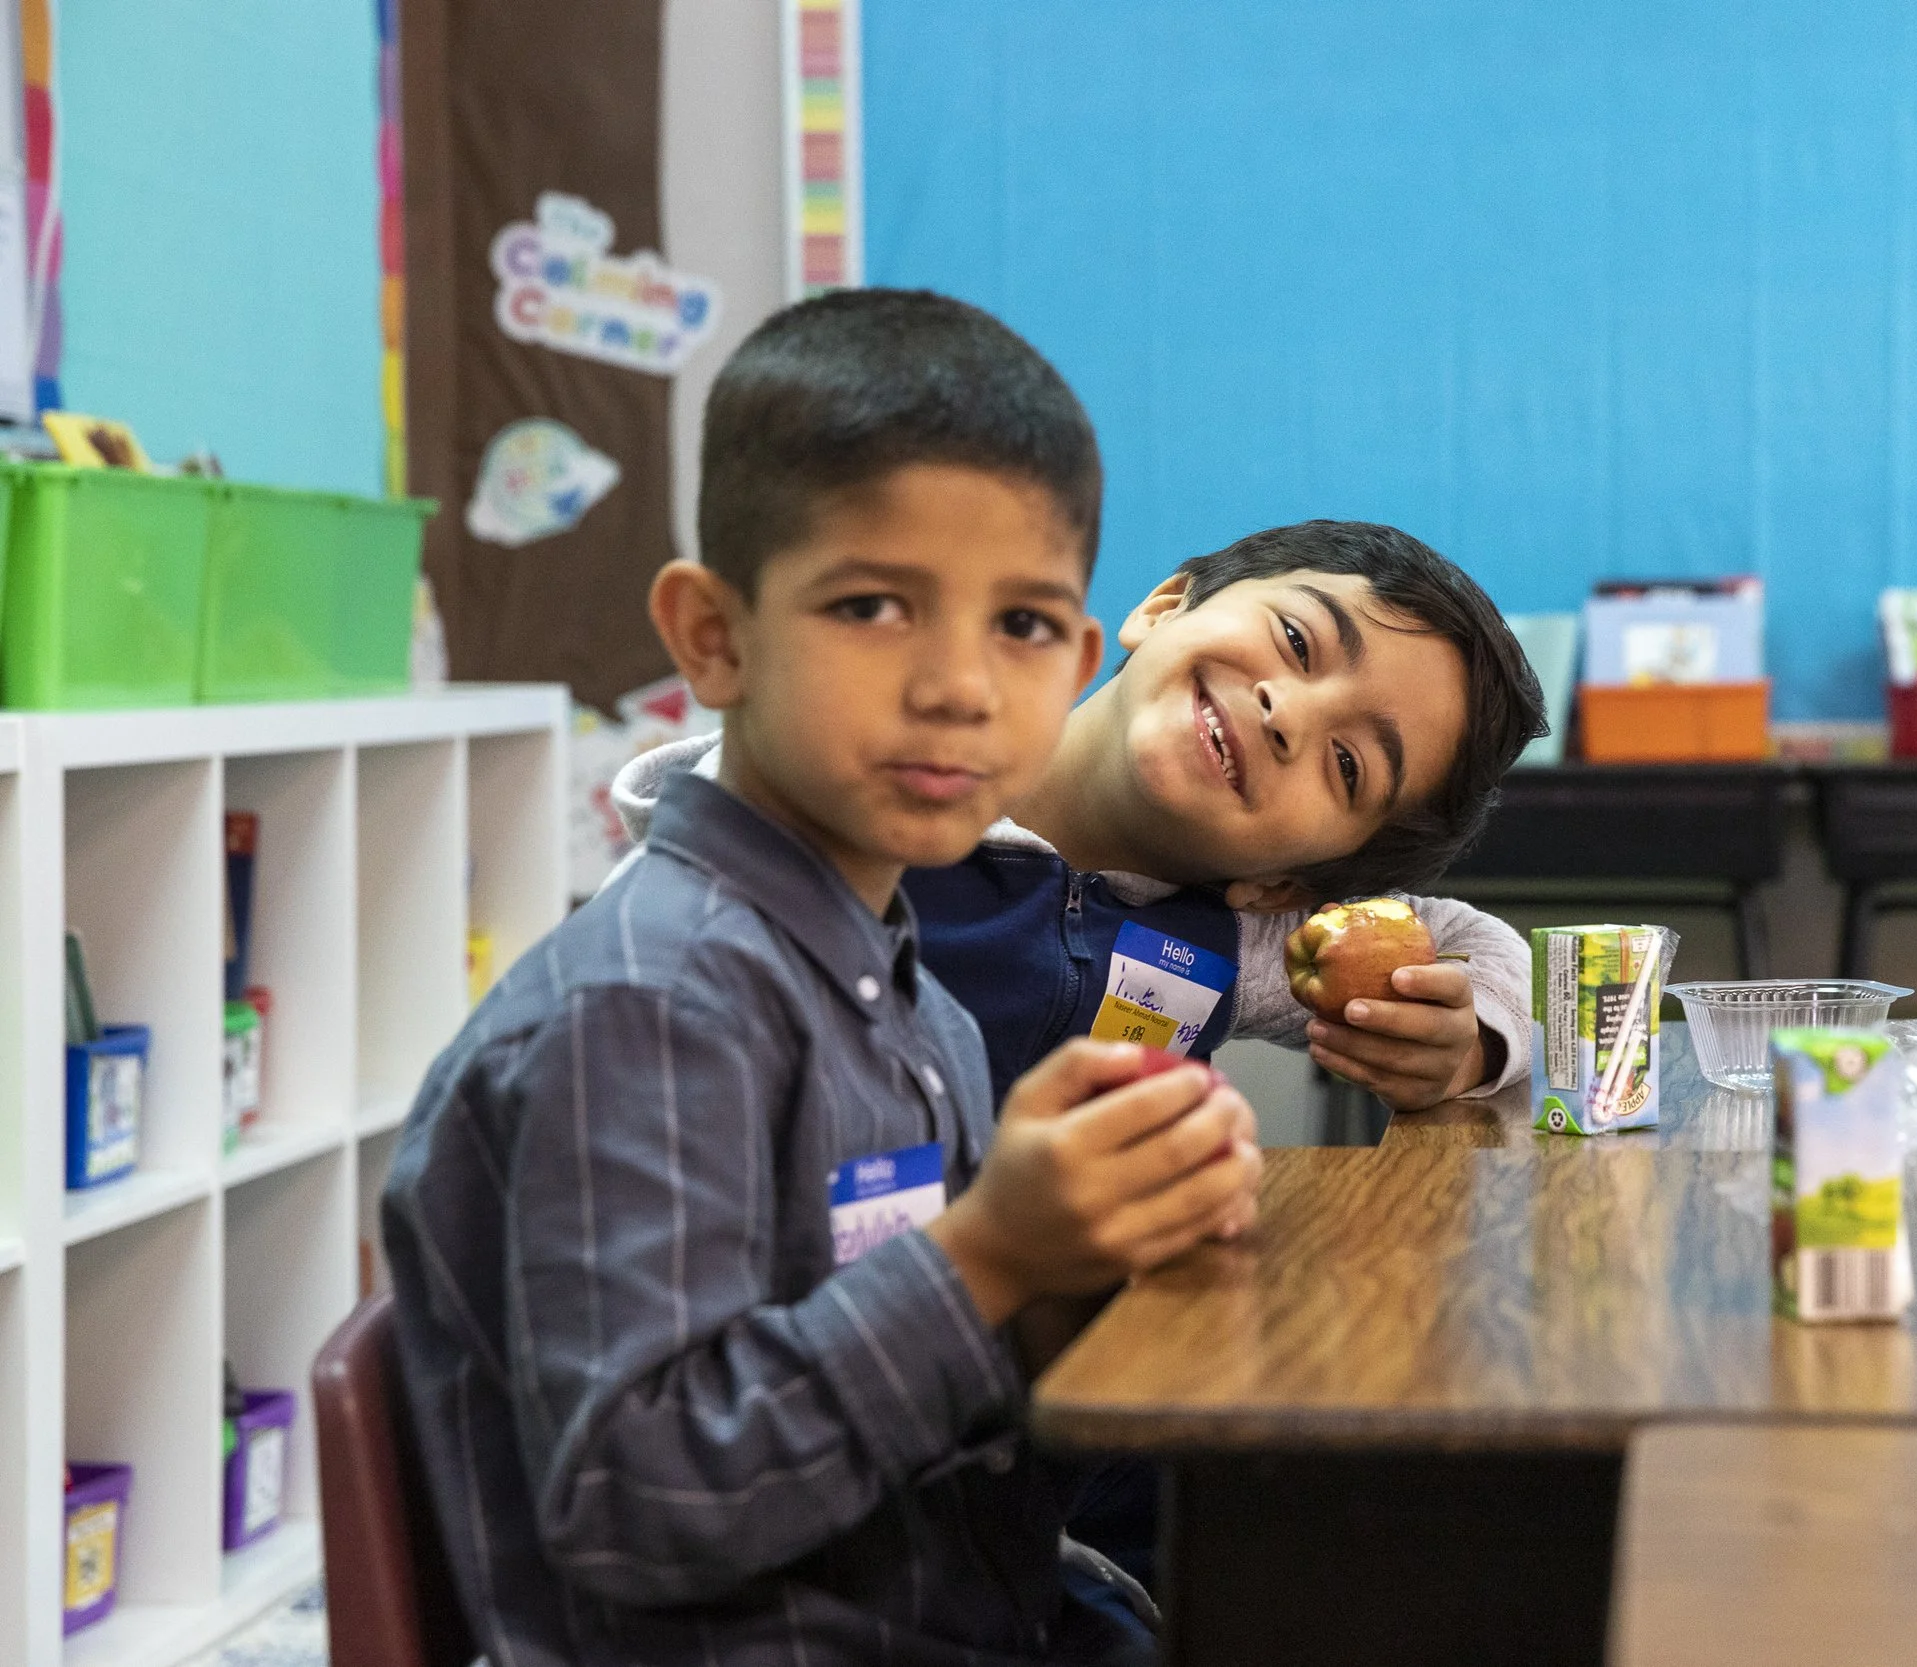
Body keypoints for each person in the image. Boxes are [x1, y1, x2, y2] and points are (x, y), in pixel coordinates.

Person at [382, 288, 1261, 1667]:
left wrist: (1090, 1254)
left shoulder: (913, 1002)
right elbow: (642, 1505)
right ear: (712, 635)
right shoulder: (652, 1005)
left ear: (1081, 662)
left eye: (1023, 624)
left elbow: (940, 1420)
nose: (959, 685)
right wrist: (991, 1252)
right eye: (871, 606)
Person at [613, 519, 1550, 1118]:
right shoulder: (854, 826)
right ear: (1166, 605)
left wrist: (1468, 1044)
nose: (1288, 714)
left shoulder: (1244, 946)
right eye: (1297, 640)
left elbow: (1482, 948)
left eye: (1348, 765)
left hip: (1094, 1355)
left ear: (1284, 885)